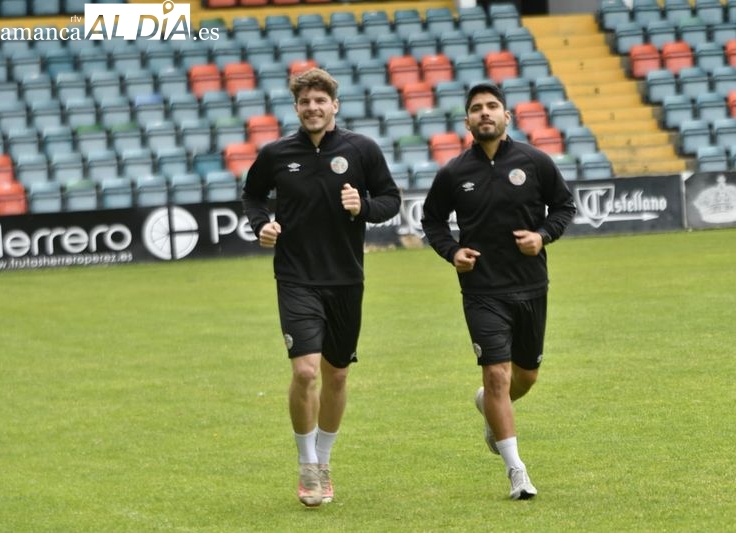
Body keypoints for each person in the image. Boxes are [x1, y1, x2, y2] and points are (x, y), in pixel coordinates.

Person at [241, 68, 401, 508]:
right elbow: (252, 196)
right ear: (296, 108)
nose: (313, 108)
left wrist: (362, 206)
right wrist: (262, 225)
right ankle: (307, 464)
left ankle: (325, 460)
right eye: (305, 102)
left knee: (337, 374)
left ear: (335, 105)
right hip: (295, 277)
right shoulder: (276, 153)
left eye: (320, 101)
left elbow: (390, 199)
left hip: (346, 278)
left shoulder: (362, 149)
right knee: (305, 371)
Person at [421, 82, 576, 500]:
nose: (484, 113)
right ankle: (517, 472)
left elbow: (564, 206)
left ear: (507, 116)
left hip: (530, 286)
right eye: (476, 108)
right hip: (481, 290)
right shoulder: (454, 172)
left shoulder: (535, 161)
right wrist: (452, 252)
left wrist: (542, 236)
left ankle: (488, 406)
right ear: (467, 120)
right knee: (496, 375)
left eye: (492, 107)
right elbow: (432, 221)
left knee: (524, 377)